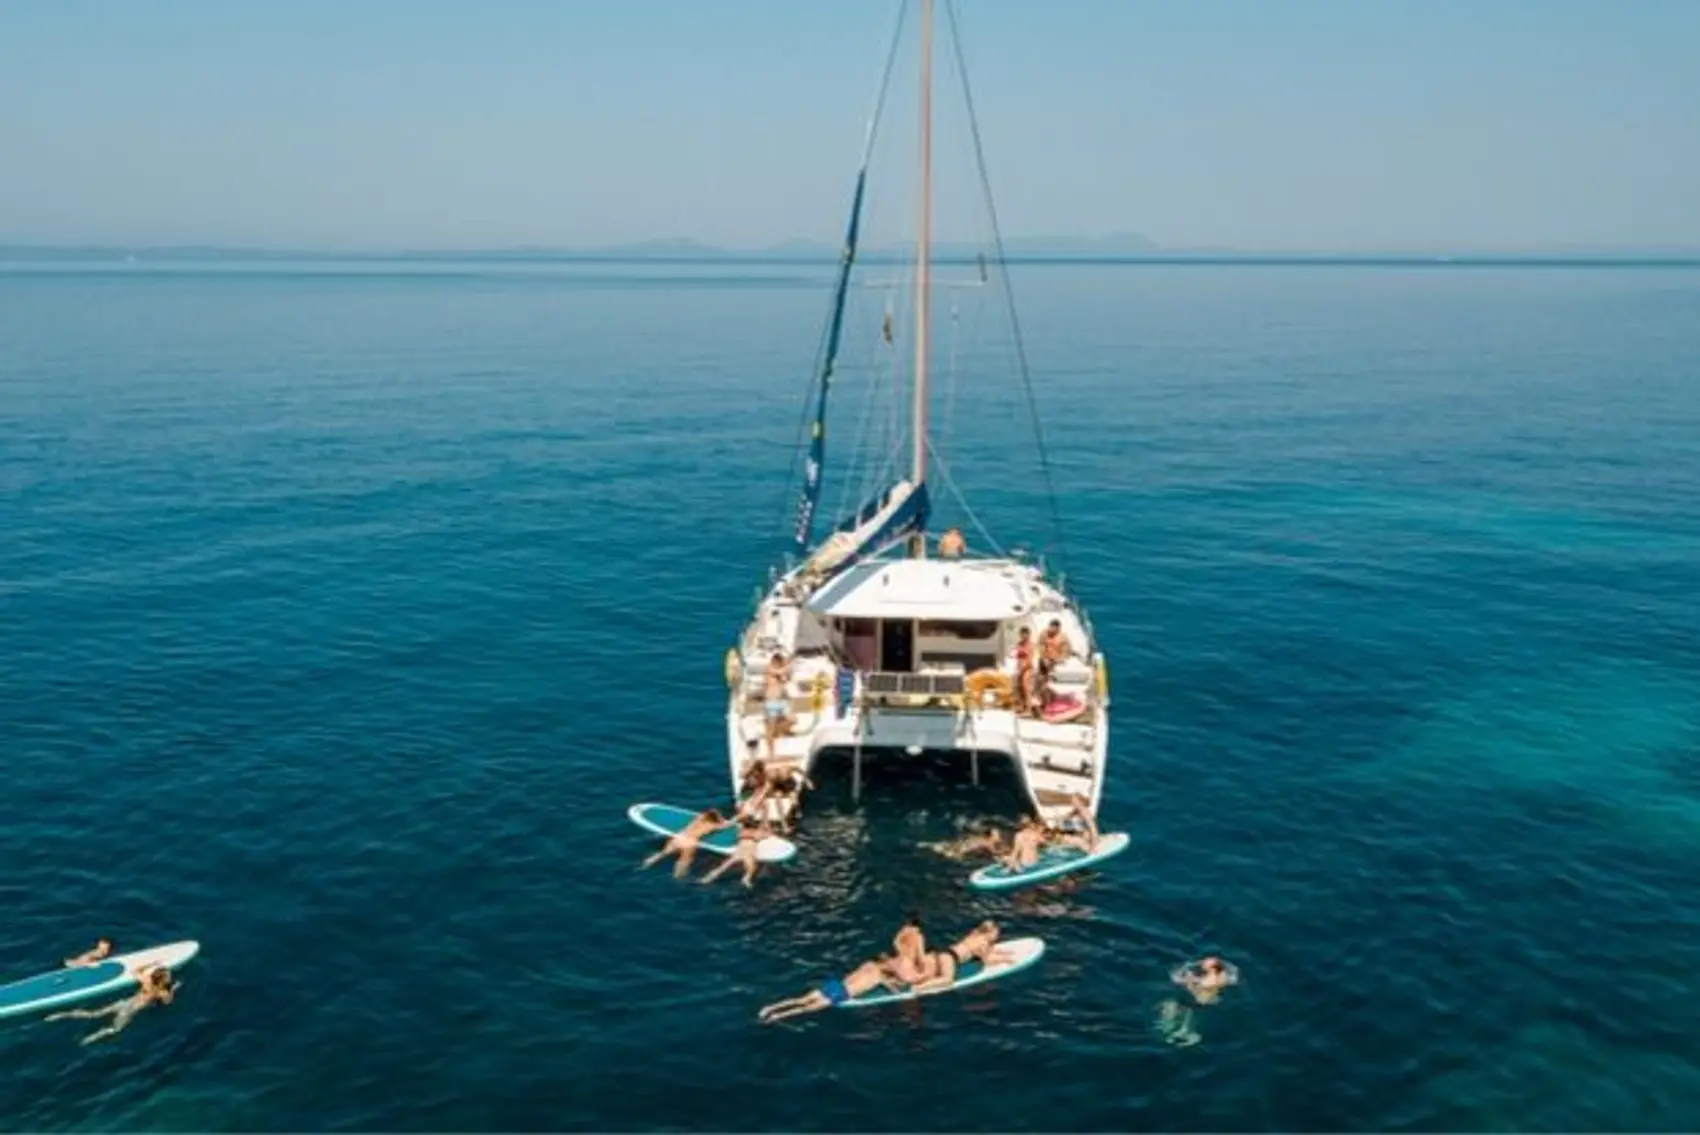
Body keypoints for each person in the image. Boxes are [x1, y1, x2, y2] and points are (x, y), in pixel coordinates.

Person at [47, 964, 178, 1045]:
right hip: (130, 1010)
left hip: (123, 1002)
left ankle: (60, 1015)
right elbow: (167, 1002)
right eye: (168, 976)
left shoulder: (146, 982)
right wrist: (173, 989)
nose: (169, 977)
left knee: (93, 1014)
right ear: (161, 981)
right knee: (115, 1030)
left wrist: (151, 964)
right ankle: (91, 1038)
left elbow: (135, 971)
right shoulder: (161, 992)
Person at [758, 956, 905, 1023]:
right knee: (805, 1008)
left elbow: (853, 974)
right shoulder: (881, 978)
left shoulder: (869, 964)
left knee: (800, 1000)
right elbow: (896, 991)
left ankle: (769, 1007)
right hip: (841, 994)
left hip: (836, 985)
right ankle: (777, 1016)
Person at [916, 919, 1008, 990]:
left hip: (944, 952)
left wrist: (1002, 953)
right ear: (989, 933)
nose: (997, 936)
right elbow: (986, 960)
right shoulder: (983, 943)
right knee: (947, 980)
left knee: (935, 971)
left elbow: (986, 951)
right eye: (996, 933)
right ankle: (920, 987)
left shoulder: (974, 935)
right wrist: (1004, 960)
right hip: (950, 958)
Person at [641, 809, 733, 878]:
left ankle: (646, 864)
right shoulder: (714, 826)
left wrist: (714, 815)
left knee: (663, 853)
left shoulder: (698, 818)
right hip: (689, 842)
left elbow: (711, 811)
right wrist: (723, 820)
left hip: (679, 837)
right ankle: (677, 878)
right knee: (684, 862)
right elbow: (726, 825)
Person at [700, 814, 770, 889]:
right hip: (748, 853)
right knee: (751, 869)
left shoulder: (740, 832)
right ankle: (746, 879)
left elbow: (739, 822)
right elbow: (767, 832)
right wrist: (765, 818)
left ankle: (707, 879)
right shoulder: (757, 833)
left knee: (721, 868)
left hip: (738, 852)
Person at [762, 651, 792, 760]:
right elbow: (779, 672)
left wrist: (787, 672)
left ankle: (778, 730)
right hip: (772, 702)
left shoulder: (781, 671)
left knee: (792, 719)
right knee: (770, 728)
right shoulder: (769, 669)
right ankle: (771, 753)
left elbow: (786, 678)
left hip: (782, 701)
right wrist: (788, 665)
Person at [1174, 955, 1238, 1005]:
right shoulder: (1222, 974)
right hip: (1214, 996)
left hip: (1201, 1001)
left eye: (1207, 963)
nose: (1204, 962)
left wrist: (1189, 981)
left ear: (1213, 969)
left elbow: (1193, 990)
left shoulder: (1206, 982)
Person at [1013, 627, 1038, 713]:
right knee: (1019, 688)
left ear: (1028, 635)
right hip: (1020, 668)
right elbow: (1017, 656)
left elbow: (1029, 660)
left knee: (1026, 689)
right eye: (1021, 634)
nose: (1023, 636)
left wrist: (1022, 669)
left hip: (1028, 669)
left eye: (1025, 634)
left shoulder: (1030, 645)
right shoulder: (1019, 644)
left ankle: (1028, 709)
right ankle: (1021, 706)